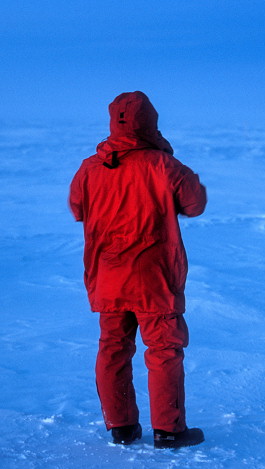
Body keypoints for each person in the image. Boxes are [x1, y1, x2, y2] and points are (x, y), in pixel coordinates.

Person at [68, 91, 207, 448]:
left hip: (107, 274)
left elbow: (78, 209)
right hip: (154, 277)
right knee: (164, 350)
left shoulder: (90, 167)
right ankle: (169, 429)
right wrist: (162, 157)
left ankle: (121, 427)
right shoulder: (163, 166)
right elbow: (195, 204)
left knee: (113, 347)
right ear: (151, 123)